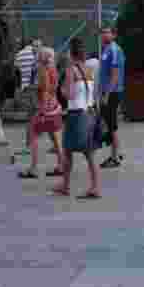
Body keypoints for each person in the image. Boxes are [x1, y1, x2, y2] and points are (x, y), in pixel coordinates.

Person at [52, 37, 102, 199]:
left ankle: (66, 186)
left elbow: (70, 94)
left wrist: (61, 89)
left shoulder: (70, 70)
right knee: (89, 154)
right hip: (89, 113)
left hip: (75, 115)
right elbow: (94, 94)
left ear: (70, 53)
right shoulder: (88, 70)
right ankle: (94, 186)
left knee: (67, 152)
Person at [19, 47, 65, 179]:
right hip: (55, 105)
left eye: (39, 55)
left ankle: (33, 168)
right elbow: (52, 88)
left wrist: (42, 110)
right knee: (55, 137)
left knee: (33, 135)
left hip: (45, 108)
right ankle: (61, 165)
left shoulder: (42, 70)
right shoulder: (54, 70)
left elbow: (44, 90)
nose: (37, 56)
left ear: (42, 57)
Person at [96, 27, 125, 168]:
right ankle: (116, 151)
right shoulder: (107, 50)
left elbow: (114, 75)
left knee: (111, 124)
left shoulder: (114, 50)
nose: (103, 35)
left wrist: (107, 94)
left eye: (106, 32)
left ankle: (115, 157)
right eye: (102, 33)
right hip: (107, 92)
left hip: (112, 92)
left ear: (114, 35)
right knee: (107, 122)